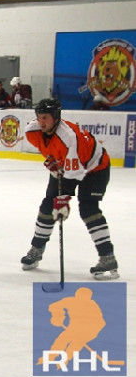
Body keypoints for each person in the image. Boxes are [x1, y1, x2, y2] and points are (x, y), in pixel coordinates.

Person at [20, 98, 119, 280]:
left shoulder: (69, 138)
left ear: (56, 117)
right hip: (70, 166)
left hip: (95, 168)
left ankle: (108, 257)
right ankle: (36, 249)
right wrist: (53, 160)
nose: (42, 122)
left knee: (89, 209)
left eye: (46, 118)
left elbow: (74, 173)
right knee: (47, 206)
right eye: (39, 117)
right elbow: (51, 151)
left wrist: (63, 200)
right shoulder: (32, 131)